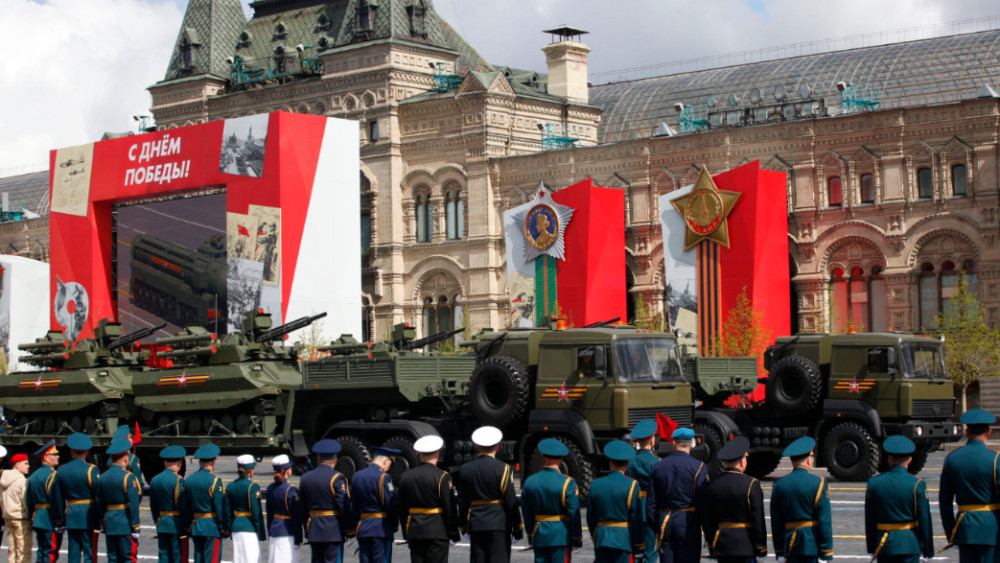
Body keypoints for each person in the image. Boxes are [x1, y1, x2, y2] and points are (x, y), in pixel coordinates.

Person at [940, 408, 1000, 563]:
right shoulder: (995, 460)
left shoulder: (952, 459)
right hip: (992, 528)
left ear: (967, 432)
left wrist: (952, 533)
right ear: (989, 432)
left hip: (965, 527)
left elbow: (945, 502)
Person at [864, 435, 933, 563]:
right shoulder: (916, 484)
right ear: (910, 460)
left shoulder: (874, 483)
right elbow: (924, 520)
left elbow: (870, 519)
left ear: (889, 460)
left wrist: (871, 548)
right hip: (909, 545)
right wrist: (928, 549)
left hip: (884, 544)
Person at [459, 425, 523, 562]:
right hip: (498, 524)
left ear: (477, 446)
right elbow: (510, 500)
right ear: (497, 447)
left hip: (476, 524)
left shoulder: (466, 469)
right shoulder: (503, 468)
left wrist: (463, 524)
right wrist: (516, 527)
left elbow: (463, 501)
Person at [699, 436, 767, 563]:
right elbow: (757, 518)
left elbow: (708, 519)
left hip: (722, 544)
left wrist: (711, 544)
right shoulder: (751, 484)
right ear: (741, 461)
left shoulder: (712, 484)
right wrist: (760, 546)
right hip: (745, 544)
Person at [647, 427, 709, 563]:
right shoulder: (698, 467)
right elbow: (703, 503)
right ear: (692, 444)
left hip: (665, 520)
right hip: (688, 521)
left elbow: (651, 504)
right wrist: (708, 532)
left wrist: (656, 526)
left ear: (674, 443)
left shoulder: (658, 466)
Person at [770, 437, 833, 563]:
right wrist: (826, 552)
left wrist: (779, 552)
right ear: (809, 460)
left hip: (789, 546)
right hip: (812, 545)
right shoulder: (819, 483)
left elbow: (776, 523)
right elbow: (824, 520)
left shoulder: (779, 485)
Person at [397, 435, 460, 563]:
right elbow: (449, 508)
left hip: (415, 530)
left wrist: (405, 531)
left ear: (419, 454)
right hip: (437, 531)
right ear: (437, 454)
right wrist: (453, 532)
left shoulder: (406, 476)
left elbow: (402, 508)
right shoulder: (442, 477)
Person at [520, 438, 583, 563]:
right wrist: (577, 538)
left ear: (543, 457)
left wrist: (531, 535)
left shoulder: (530, 482)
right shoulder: (567, 483)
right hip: (561, 536)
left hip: (540, 534)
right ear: (561, 460)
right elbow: (574, 513)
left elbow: (526, 513)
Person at [586, 440, 645, 562]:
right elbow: (636, 518)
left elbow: (590, 517)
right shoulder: (632, 485)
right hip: (624, 540)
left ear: (609, 462)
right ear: (628, 464)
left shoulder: (596, 485)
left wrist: (597, 536)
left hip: (602, 538)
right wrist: (639, 545)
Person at [299, 439, 354, 563]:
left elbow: (302, 508)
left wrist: (307, 528)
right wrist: (350, 530)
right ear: (335, 460)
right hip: (333, 530)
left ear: (318, 460)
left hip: (314, 529)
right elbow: (344, 506)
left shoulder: (306, 478)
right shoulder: (337, 478)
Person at [53, 432, 101, 563]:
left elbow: (58, 498)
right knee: (89, 553)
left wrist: (59, 519)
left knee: (73, 552)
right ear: (86, 452)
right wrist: (100, 516)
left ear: (71, 451)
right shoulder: (91, 470)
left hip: (72, 514)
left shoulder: (62, 470)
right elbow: (98, 495)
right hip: (89, 515)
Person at [95, 436, 142, 563]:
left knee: (112, 557)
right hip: (125, 522)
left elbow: (100, 503)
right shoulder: (128, 477)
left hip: (109, 522)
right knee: (127, 557)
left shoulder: (102, 478)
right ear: (126, 459)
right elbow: (133, 503)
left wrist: (102, 522)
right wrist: (136, 526)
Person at [351, 446, 400, 563]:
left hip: (363, 528)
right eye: (389, 464)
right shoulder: (384, 477)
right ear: (385, 461)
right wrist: (394, 525)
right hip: (381, 529)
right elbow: (390, 504)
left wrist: (356, 526)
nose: (388, 468)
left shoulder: (357, 476)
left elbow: (354, 505)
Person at [184, 444, 230, 563]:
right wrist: (223, 527)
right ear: (213, 462)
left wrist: (189, 525)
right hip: (211, 526)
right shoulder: (214, 480)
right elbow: (219, 506)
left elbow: (186, 506)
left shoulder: (189, 480)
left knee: (198, 559)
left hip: (196, 526)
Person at [149, 445, 188, 563]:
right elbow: (182, 505)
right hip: (176, 523)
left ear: (165, 462)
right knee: (178, 556)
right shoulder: (179, 480)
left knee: (164, 556)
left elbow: (153, 506)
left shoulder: (155, 480)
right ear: (179, 463)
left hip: (162, 522)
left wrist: (158, 520)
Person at [628, 419, 660, 563]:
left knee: (636, 550)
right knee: (650, 552)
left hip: (635, 506)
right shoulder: (657, 462)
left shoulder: (631, 461)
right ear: (652, 440)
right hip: (652, 507)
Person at [26, 440, 62, 563]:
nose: (58, 457)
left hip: (37, 518)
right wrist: (60, 519)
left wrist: (32, 516)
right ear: (46, 457)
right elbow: (57, 499)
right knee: (50, 552)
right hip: (49, 518)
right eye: (54, 454)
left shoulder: (33, 476)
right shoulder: (53, 475)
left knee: (41, 551)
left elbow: (28, 500)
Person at [226, 455, 265, 563]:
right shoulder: (252, 486)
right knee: (251, 558)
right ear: (250, 470)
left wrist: (230, 528)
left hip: (236, 526)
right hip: (249, 527)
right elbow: (256, 512)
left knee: (239, 559)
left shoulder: (230, 486)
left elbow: (228, 512)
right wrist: (261, 532)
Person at [266, 455, 302, 563]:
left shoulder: (270, 488)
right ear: (285, 471)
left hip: (274, 530)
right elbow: (296, 517)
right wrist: (299, 538)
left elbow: (269, 514)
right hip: (287, 532)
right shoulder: (291, 490)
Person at [2, 452, 32, 563]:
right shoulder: (21, 481)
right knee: (23, 551)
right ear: (17, 465)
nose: (28, 466)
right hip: (20, 518)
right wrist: (30, 515)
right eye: (25, 463)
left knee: (12, 550)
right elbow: (25, 501)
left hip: (8, 517)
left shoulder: (4, 478)